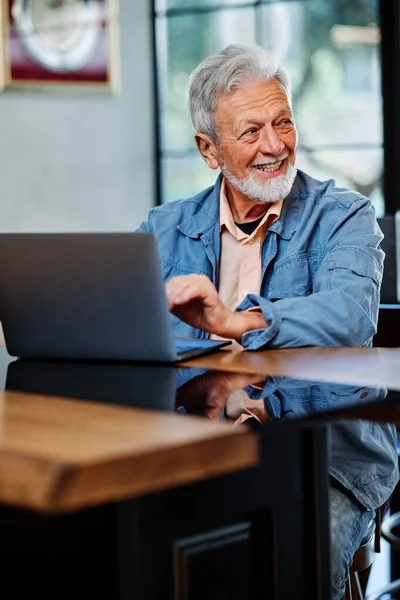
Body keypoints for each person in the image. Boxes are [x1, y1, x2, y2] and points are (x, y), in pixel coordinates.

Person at [138, 44, 388, 599]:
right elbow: (124, 330)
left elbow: (349, 316)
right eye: (251, 132)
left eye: (283, 122)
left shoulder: (345, 215)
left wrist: (236, 320)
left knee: (286, 565)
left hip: (325, 454)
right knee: (122, 547)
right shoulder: (163, 228)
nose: (275, 146)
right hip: (198, 443)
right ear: (209, 149)